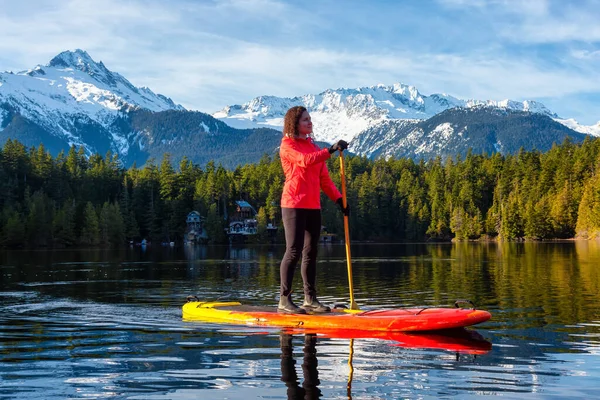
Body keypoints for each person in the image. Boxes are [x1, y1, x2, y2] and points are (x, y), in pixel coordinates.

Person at [278, 105, 349, 314]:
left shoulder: (312, 146)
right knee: (293, 251)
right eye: (305, 120)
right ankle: (284, 300)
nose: (310, 122)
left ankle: (310, 299)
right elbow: (305, 162)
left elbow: (324, 179)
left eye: (310, 119)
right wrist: (331, 150)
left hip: (312, 205)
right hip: (293, 204)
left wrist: (339, 200)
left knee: (311, 252)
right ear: (295, 124)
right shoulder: (287, 146)